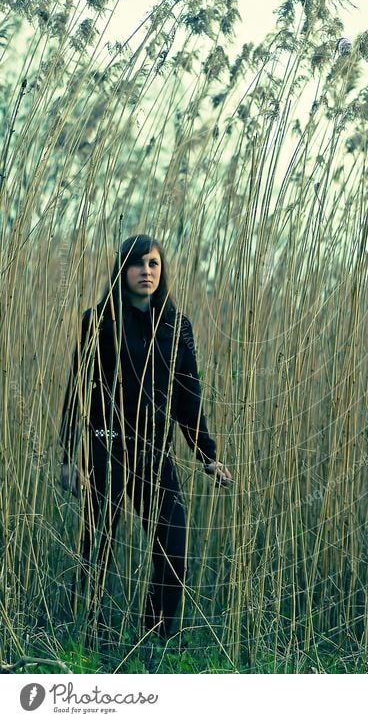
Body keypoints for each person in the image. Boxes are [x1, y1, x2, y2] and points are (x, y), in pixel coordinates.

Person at [59, 233, 231, 641]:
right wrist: (69, 457)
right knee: (96, 547)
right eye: (138, 264)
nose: (147, 272)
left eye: (154, 264)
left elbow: (189, 395)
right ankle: (87, 635)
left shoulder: (176, 326)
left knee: (173, 548)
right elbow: (77, 391)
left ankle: (156, 640)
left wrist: (206, 453)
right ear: (123, 269)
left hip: (155, 454)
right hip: (107, 447)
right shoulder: (99, 320)